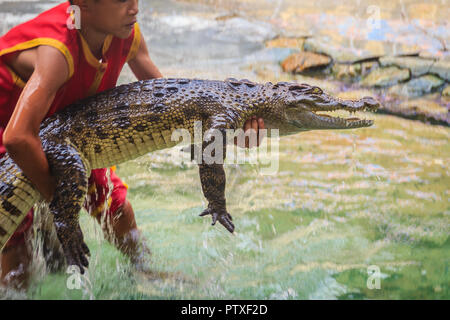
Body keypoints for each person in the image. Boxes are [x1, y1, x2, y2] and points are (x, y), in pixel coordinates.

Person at [0, 0, 265, 290]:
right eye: (121, 0)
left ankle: (143, 270)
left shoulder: (127, 34)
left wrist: (232, 131)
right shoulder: (57, 51)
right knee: (17, 242)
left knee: (117, 209)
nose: (134, 7)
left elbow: (175, 106)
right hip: (11, 128)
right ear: (83, 5)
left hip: (68, 130)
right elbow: (17, 137)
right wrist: (59, 198)